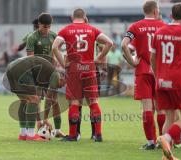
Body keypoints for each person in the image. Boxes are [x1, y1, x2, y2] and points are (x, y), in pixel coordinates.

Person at [52, 8, 113, 142]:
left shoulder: (66, 30)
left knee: (74, 101)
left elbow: (54, 47)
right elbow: (110, 43)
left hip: (74, 69)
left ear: (71, 17)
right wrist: (99, 58)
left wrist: (63, 64)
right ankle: (98, 135)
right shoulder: (92, 29)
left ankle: (73, 135)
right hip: (89, 68)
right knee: (93, 101)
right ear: (84, 17)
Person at [150, 3, 181, 159]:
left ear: (171, 15)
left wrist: (157, 75)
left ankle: (166, 156)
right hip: (179, 80)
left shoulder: (159, 32)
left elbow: (152, 58)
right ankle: (166, 138)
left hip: (161, 80)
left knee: (170, 117)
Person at [121, 0, 166, 150]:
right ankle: (163, 140)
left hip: (142, 71)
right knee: (161, 108)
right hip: (160, 71)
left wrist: (132, 62)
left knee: (147, 107)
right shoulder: (164, 26)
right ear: (155, 11)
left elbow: (123, 45)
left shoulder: (136, 26)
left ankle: (151, 142)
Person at [6, 55, 66, 141]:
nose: (61, 87)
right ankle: (30, 135)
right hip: (22, 68)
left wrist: (40, 120)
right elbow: (49, 100)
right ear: (62, 78)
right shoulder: (56, 75)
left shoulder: (44, 76)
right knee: (33, 99)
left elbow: (40, 103)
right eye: (63, 84)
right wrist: (45, 119)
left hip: (11, 67)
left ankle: (23, 134)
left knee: (24, 101)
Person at [26, 13, 65, 137]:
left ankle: (58, 130)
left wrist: (59, 66)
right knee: (36, 100)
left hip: (50, 72)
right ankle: (40, 123)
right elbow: (30, 59)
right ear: (39, 25)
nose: (46, 29)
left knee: (54, 100)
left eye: (48, 27)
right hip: (36, 73)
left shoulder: (54, 36)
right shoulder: (32, 37)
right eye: (44, 27)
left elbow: (57, 51)